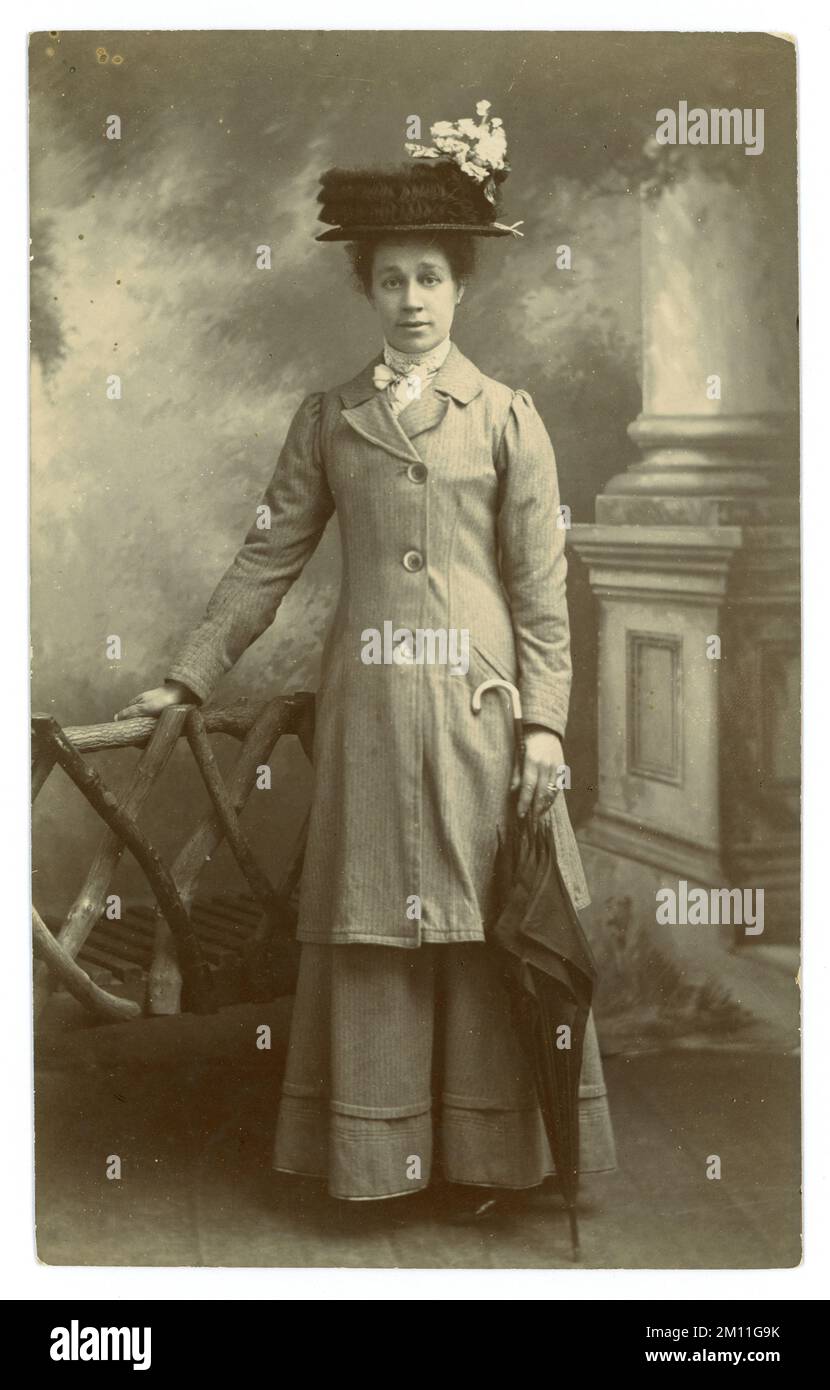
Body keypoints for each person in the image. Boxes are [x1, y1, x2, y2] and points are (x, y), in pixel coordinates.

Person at [116, 102, 617, 1222]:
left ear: (459, 286)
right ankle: (377, 1160)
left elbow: (543, 595)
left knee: (486, 927)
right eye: (390, 280)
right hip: (372, 713)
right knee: (376, 925)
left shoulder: (505, 420)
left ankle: (490, 1164)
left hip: (482, 716)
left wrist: (544, 726)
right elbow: (265, 558)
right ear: (367, 291)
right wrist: (189, 674)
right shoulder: (328, 420)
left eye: (430, 278)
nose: (410, 300)